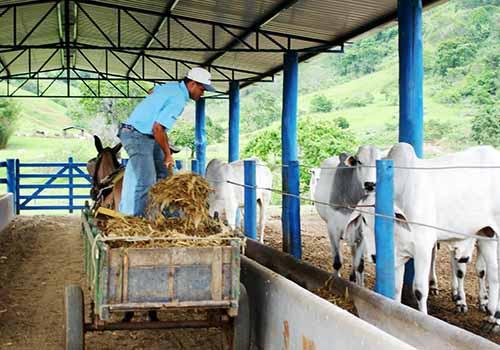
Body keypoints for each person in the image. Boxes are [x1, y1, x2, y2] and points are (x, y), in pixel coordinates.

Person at [118, 67, 215, 217]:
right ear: (193, 84)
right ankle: (141, 221)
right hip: (137, 134)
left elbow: (152, 90)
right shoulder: (178, 100)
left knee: (164, 175)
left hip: (146, 134)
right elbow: (158, 129)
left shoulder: (172, 87)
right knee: (147, 180)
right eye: (202, 89)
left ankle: (169, 216)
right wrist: (168, 155)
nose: (202, 94)